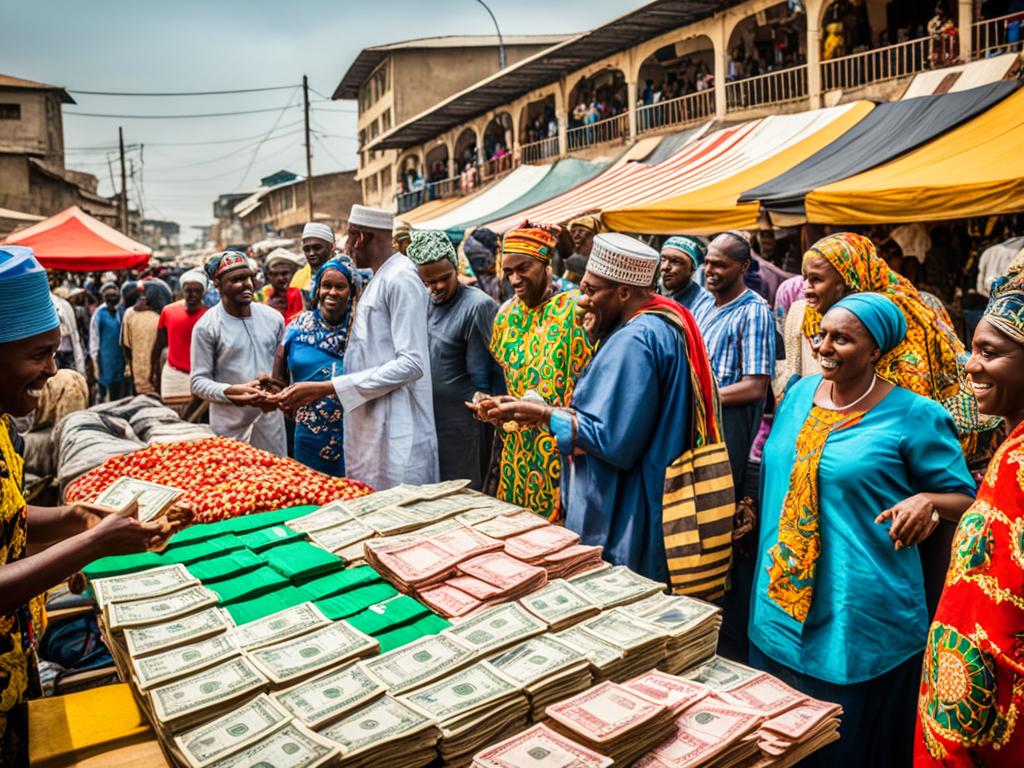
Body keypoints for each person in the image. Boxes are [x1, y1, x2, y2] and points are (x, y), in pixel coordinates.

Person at [750, 293, 975, 768]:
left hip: (860, 616)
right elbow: (780, 472)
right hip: (777, 607)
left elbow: (966, 497)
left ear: (876, 351)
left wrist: (927, 500)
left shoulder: (914, 415)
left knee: (843, 749)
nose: (825, 346)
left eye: (842, 339)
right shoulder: (795, 396)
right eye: (822, 334)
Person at [0, 247, 168, 762]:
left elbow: (9, 519)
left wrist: (74, 518)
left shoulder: (2, 427)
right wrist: (93, 543)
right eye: (37, 355)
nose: (53, 370)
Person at [480, 234, 724, 584]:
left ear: (624, 292)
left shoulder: (633, 340)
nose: (582, 301)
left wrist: (543, 415)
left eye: (591, 291)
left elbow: (612, 441)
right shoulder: (661, 323)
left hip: (629, 508)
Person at [915, 255, 1024, 766]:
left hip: (991, 714)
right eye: (972, 347)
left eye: (989, 352)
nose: (970, 363)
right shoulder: (1010, 444)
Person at [277, 205, 438, 489]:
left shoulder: (401, 279)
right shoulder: (381, 277)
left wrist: (326, 387)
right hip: (375, 424)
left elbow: (411, 364)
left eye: (349, 239)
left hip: (399, 427)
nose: (347, 247)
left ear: (360, 237)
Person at [800, 232, 995, 466]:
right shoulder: (818, 314)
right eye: (804, 278)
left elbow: (915, 391)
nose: (806, 288)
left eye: (815, 279)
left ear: (847, 280)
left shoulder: (896, 312)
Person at [478, 227, 592, 520]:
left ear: (545, 263)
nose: (515, 279)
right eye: (508, 271)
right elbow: (511, 384)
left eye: (523, 268)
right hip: (518, 456)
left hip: (563, 449)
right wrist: (495, 407)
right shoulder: (505, 318)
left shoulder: (576, 309)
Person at [698, 231, 775, 660]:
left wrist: (702, 396)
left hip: (732, 442)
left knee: (730, 541)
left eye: (720, 264)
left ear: (742, 267)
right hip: (703, 435)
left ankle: (731, 644)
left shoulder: (754, 313)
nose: (710, 271)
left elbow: (755, 387)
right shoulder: (704, 306)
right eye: (707, 263)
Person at [408, 230, 501, 489]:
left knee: (466, 494)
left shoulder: (478, 306)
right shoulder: (423, 303)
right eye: (428, 282)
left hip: (465, 425)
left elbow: (492, 371)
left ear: (456, 268)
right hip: (430, 421)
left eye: (443, 278)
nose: (436, 287)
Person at [190, 251, 287, 456]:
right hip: (229, 428)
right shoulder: (206, 327)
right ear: (217, 284)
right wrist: (233, 392)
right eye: (237, 279)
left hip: (270, 423)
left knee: (275, 481)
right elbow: (198, 381)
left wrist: (277, 386)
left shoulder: (273, 318)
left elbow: (283, 367)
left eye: (249, 277)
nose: (247, 284)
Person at [272, 256, 359, 477]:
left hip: (353, 433)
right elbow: (278, 376)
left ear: (352, 290)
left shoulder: (362, 329)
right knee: (311, 493)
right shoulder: (298, 326)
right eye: (326, 286)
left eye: (340, 287)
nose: (332, 292)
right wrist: (281, 398)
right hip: (307, 434)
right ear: (316, 288)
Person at [151, 269, 208, 407]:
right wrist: (152, 372)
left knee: (198, 422)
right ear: (183, 290)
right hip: (174, 375)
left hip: (202, 376)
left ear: (203, 292)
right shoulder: (168, 311)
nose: (193, 295)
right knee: (173, 420)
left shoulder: (210, 316)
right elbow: (159, 345)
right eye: (189, 290)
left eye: (197, 291)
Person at [88, 281, 128, 402]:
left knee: (120, 388)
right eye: (109, 293)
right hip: (105, 358)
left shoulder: (122, 311)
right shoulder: (99, 313)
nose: (112, 295)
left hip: (120, 356)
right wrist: (95, 360)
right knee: (104, 388)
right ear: (104, 296)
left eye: (114, 292)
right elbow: (94, 338)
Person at [120, 281, 162, 396]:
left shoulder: (131, 314)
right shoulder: (161, 316)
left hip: (138, 371)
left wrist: (130, 366)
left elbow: (126, 345)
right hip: (157, 376)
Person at [660, 235, 713, 317]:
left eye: (675, 261)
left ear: (692, 268)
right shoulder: (654, 292)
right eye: (662, 260)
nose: (665, 267)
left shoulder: (704, 304)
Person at [291, 222, 336, 301]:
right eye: (307, 249)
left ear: (332, 246)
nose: (311, 253)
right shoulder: (298, 277)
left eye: (317, 248)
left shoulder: (344, 273)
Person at [259, 249, 304, 324]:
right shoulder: (263, 295)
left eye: (285, 273)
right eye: (275, 274)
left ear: (294, 273)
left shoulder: (303, 295)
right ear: (269, 276)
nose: (280, 278)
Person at [564, 215, 600, 283]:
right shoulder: (573, 259)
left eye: (581, 231)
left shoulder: (574, 260)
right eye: (573, 232)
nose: (576, 235)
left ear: (593, 234)